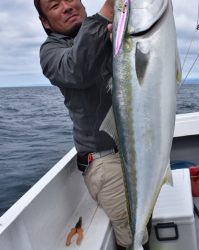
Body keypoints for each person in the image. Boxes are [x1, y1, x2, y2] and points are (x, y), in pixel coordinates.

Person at [34, 1, 150, 249]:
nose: (66, 7)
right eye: (54, 5)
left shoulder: (110, 30)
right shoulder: (50, 52)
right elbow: (77, 69)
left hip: (139, 150)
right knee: (134, 238)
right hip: (105, 162)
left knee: (146, 221)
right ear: (45, 22)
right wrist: (107, 12)